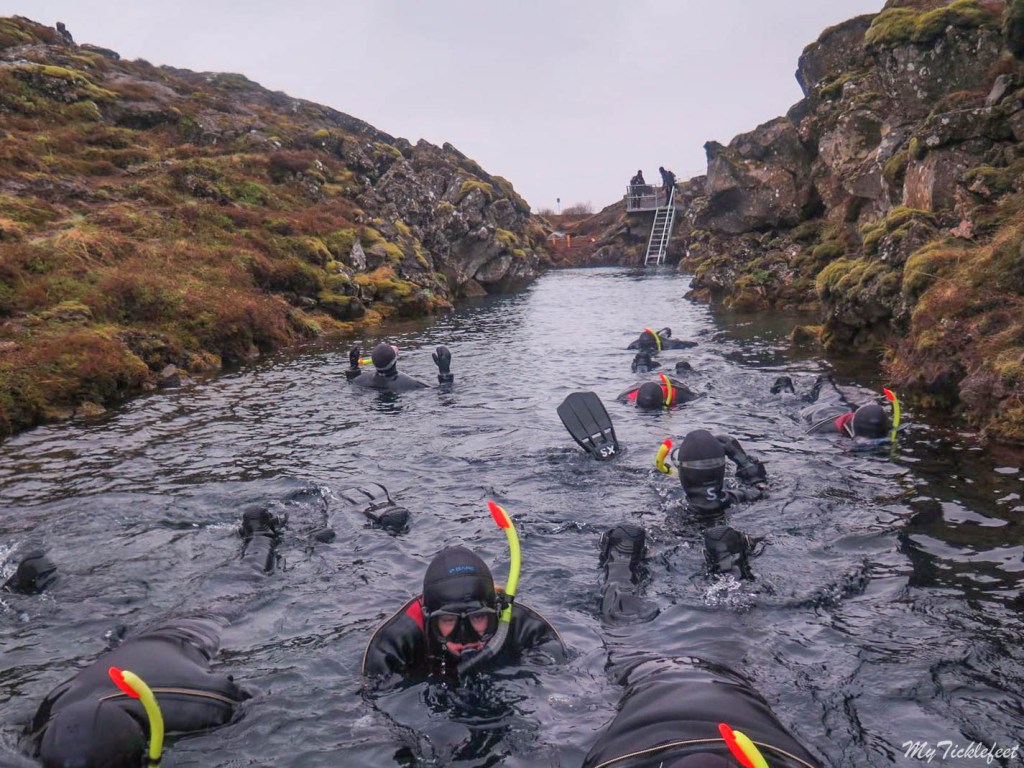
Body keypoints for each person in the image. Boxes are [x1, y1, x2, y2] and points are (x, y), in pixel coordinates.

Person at [25, 509, 282, 768]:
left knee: (247, 582)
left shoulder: (199, 706)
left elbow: (251, 699)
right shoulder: (43, 730)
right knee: (96, 621)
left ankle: (261, 534)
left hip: (191, 632)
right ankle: (46, 579)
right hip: (122, 644)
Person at [586, 527, 822, 768]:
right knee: (622, 628)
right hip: (650, 685)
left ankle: (728, 563)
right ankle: (621, 564)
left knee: (733, 626)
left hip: (724, 687)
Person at [362, 544, 565, 683]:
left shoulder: (521, 625)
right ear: (427, 617)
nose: (465, 636)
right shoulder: (394, 645)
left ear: (495, 612)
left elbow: (555, 669)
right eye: (449, 620)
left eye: (477, 617)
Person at [657, 429, 767, 515]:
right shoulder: (742, 497)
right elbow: (762, 488)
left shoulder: (673, 514)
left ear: (685, 474)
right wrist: (744, 462)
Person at [775, 375, 893, 441]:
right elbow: (803, 435)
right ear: (851, 431)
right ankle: (784, 385)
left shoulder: (881, 425)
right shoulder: (823, 429)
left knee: (829, 387)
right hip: (814, 411)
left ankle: (824, 380)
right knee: (789, 400)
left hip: (839, 406)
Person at [346, 342, 453, 391]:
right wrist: (445, 373)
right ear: (395, 360)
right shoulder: (413, 384)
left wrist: (353, 368)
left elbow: (351, 383)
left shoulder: (360, 380)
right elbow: (442, 392)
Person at [617, 376, 699, 409]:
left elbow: (700, 396)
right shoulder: (624, 397)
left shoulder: (681, 394)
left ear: (663, 400)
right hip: (638, 386)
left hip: (672, 383)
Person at [626, 327, 696, 352]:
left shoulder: (671, 344)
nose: (650, 348)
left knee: (667, 332)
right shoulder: (633, 346)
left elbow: (694, 344)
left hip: (663, 340)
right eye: (646, 346)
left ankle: (666, 331)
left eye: (651, 345)